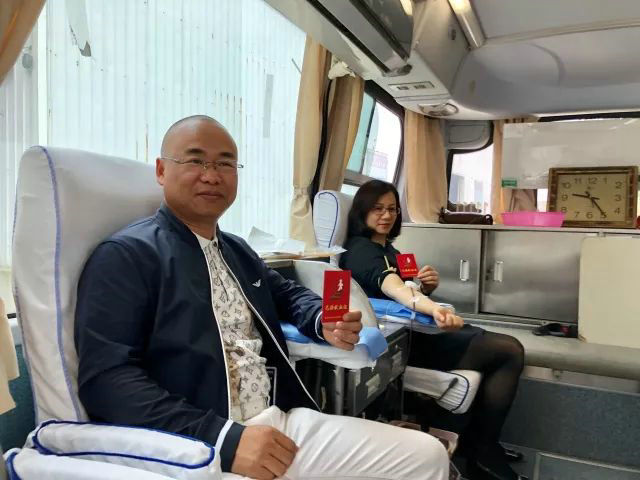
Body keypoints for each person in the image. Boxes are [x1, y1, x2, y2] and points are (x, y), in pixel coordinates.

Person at [74, 115, 449, 480]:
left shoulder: (236, 250)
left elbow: (287, 293)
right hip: (201, 444)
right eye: (195, 161)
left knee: (427, 456)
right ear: (161, 170)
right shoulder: (127, 256)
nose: (211, 175)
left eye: (225, 164)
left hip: (277, 419)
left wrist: (322, 319)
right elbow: (107, 381)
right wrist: (224, 440)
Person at [340, 180, 526, 480]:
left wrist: (427, 288)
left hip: (416, 329)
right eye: (377, 208)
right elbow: (397, 289)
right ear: (361, 212)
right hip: (403, 341)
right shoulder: (360, 250)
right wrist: (434, 308)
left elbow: (410, 288)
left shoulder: (389, 249)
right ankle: (483, 450)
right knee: (509, 350)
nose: (386, 215)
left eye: (392, 209)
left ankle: (479, 443)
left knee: (504, 346)